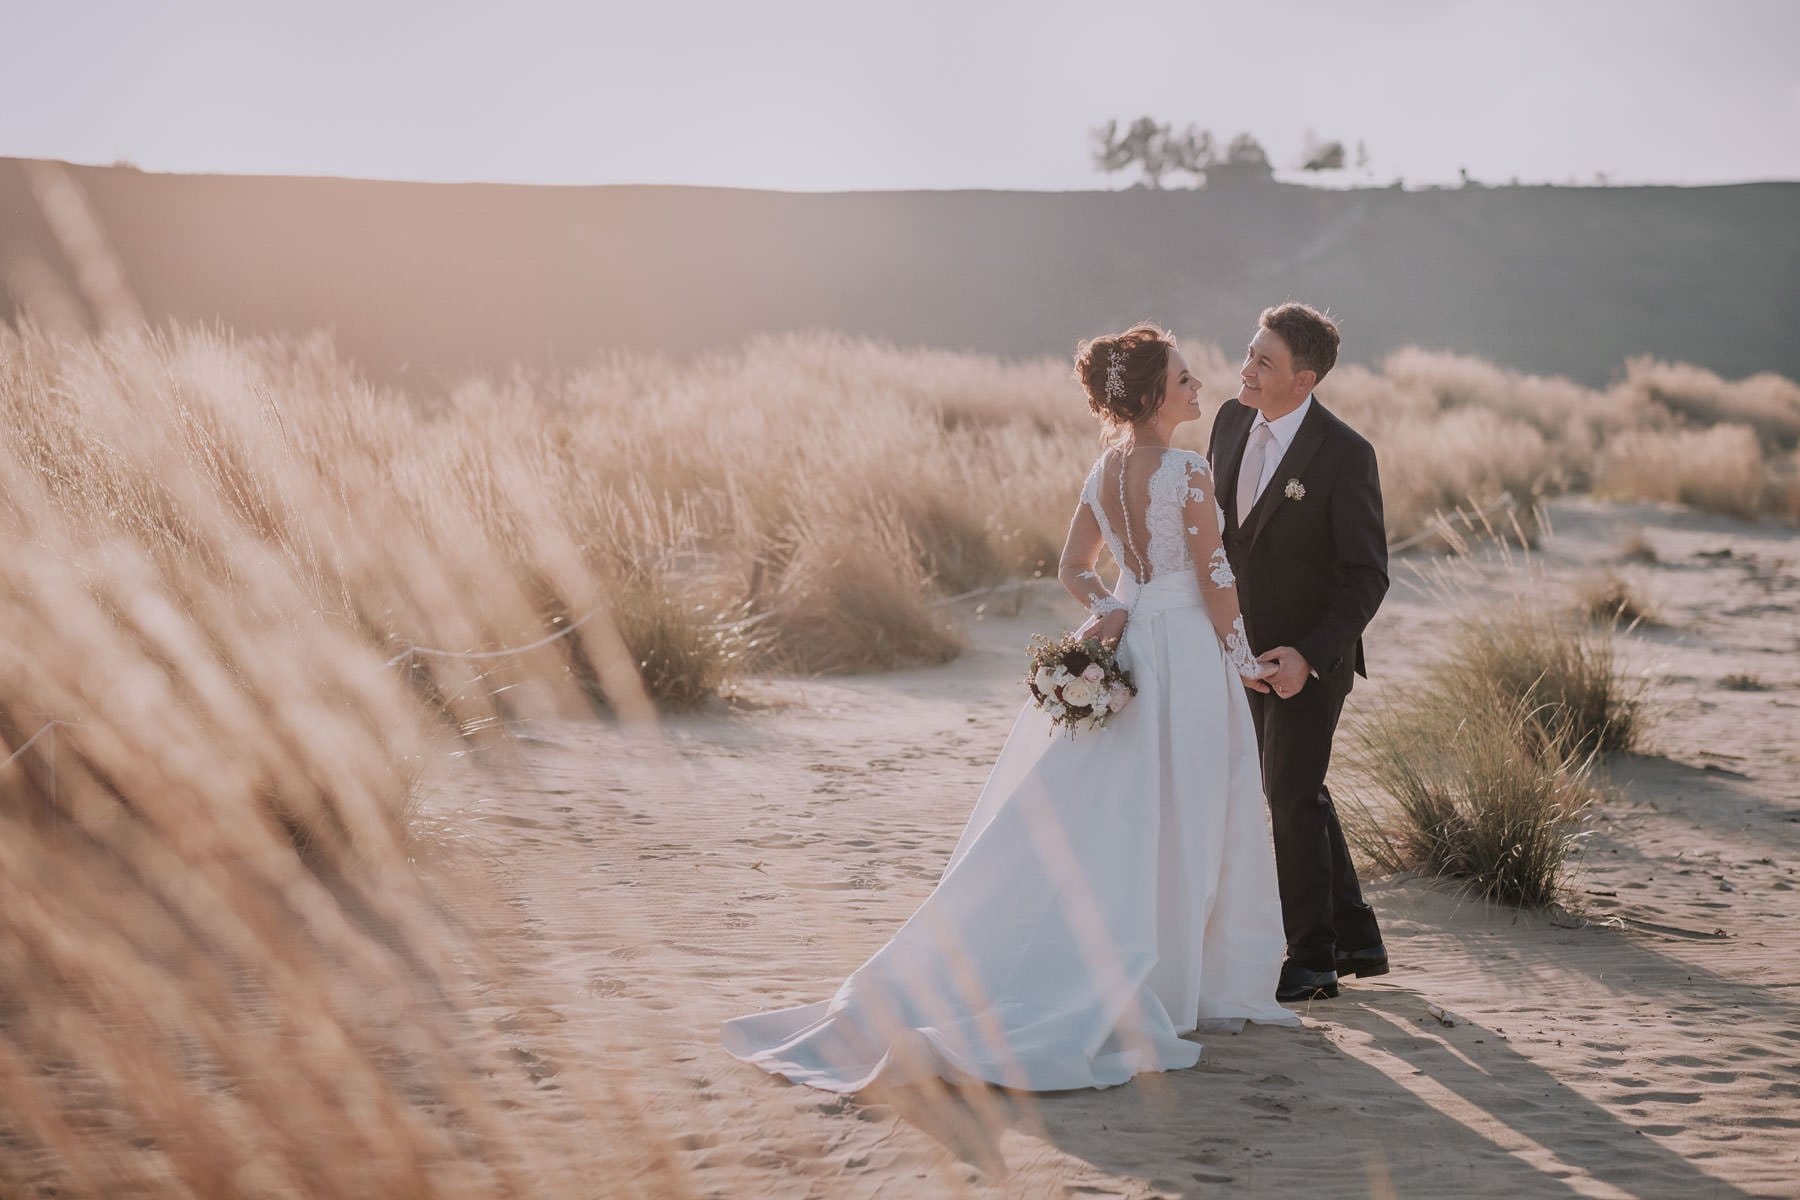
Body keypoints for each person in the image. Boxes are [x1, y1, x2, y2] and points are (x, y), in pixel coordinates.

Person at [720, 324, 1297, 1095]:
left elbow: (1072, 568)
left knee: (1121, 812)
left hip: (1132, 644)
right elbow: (1215, 577)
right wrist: (1244, 661)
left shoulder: (1106, 467)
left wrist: (1111, 610)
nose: (1200, 388)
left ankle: (1149, 964)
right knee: (1186, 809)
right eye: (1186, 380)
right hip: (1185, 651)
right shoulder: (1187, 473)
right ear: (1157, 396)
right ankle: (1177, 981)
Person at [1208, 302, 1390, 1003]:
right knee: (1296, 787)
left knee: (1287, 792)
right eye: (1249, 353)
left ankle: (1311, 958)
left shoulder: (1346, 455)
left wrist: (1307, 656)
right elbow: (1221, 535)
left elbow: (1368, 573)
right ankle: (1357, 933)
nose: (1246, 370)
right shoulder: (1227, 422)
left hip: (1309, 658)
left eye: (1264, 363)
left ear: (1304, 378)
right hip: (1239, 650)